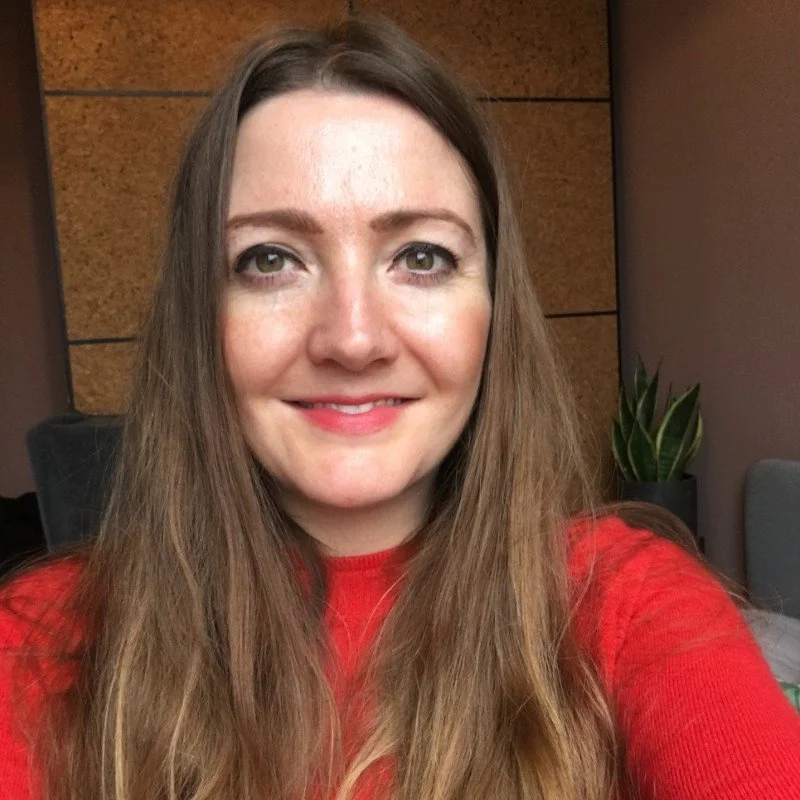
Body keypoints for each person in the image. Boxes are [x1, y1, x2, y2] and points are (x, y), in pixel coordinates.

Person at [1, 14, 799, 800]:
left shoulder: (630, 605)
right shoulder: (40, 641)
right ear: (198, 317)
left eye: (422, 256)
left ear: (495, 309)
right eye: (270, 259)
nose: (353, 339)